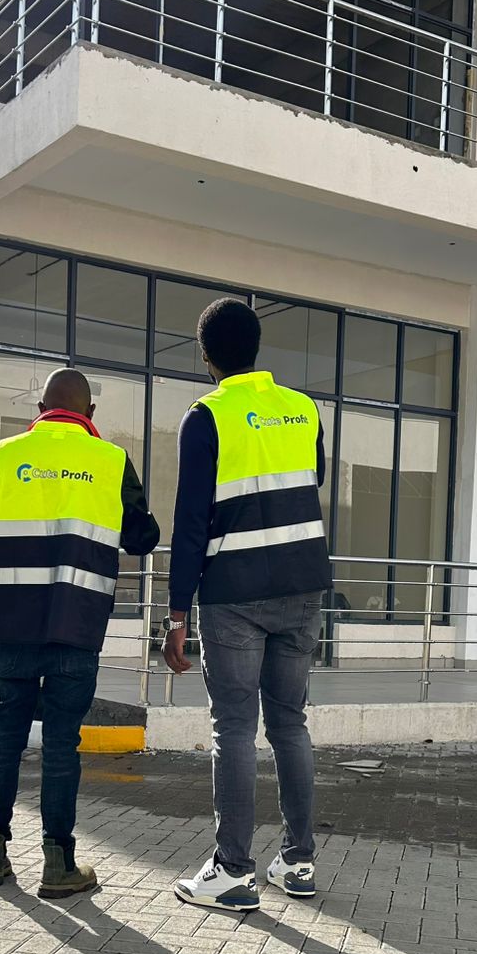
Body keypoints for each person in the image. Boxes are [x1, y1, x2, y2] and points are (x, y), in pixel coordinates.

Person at [162, 298, 330, 912]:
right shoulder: (304, 410)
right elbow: (309, 484)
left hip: (234, 594)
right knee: (290, 723)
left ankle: (233, 870)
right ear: (257, 349)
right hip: (303, 587)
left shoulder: (206, 417)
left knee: (234, 726)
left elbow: (189, 524)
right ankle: (299, 860)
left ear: (205, 356)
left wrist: (176, 615)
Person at [0, 368, 159, 896]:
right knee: (61, 741)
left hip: (14, 620)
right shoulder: (110, 461)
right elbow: (142, 537)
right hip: (77, 623)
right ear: (90, 414)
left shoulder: (4, 455)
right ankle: (58, 865)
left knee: (6, 732)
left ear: (40, 407)